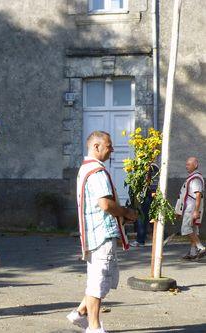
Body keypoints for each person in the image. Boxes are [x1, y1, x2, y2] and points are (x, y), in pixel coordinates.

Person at [67, 131, 137, 333]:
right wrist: (125, 212)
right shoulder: (97, 171)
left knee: (103, 277)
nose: (112, 149)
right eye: (109, 145)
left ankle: (79, 314)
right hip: (100, 233)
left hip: (94, 232)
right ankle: (94, 327)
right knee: (99, 281)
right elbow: (105, 204)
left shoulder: (85, 168)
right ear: (96, 147)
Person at [175, 157, 204, 260]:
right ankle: (192, 252)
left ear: (195, 165)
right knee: (193, 231)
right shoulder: (192, 177)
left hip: (192, 208)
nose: (186, 166)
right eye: (186, 164)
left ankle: (200, 247)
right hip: (190, 207)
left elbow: (198, 195)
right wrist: (179, 210)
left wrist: (196, 211)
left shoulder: (195, 178)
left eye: (188, 164)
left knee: (186, 229)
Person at [130, 163, 159, 247]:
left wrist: (153, 192)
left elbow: (155, 181)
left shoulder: (153, 167)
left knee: (143, 217)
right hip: (143, 196)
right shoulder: (141, 166)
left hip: (148, 196)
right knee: (145, 218)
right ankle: (143, 238)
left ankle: (141, 240)